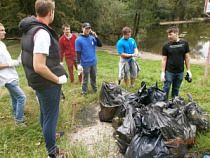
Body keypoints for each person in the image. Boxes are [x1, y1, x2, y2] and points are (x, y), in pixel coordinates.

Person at [19, 0, 68, 157]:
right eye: (54, 10)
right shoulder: (42, 33)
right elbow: (39, 66)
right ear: (50, 13)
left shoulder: (30, 29)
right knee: (51, 116)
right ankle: (52, 151)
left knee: (45, 113)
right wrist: (57, 79)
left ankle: (50, 134)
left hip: (38, 82)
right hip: (47, 83)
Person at [0, 23, 26, 127]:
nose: (4, 32)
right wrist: (10, 64)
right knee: (22, 97)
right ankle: (19, 121)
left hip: (11, 75)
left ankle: (16, 116)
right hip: (6, 78)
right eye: (1, 30)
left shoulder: (2, 44)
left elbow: (5, 60)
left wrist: (15, 61)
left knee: (14, 98)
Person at [161, 26, 192, 99]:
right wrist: (163, 72)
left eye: (171, 34)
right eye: (168, 35)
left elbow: (187, 57)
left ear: (177, 33)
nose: (169, 36)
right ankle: (163, 102)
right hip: (169, 71)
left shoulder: (184, 43)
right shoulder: (166, 45)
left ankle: (174, 102)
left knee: (176, 88)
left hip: (180, 71)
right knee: (166, 87)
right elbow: (164, 59)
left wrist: (188, 70)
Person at [75, 22, 102, 96]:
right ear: (82, 29)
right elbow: (78, 53)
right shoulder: (78, 40)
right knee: (85, 79)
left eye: (89, 28)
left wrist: (96, 36)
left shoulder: (92, 38)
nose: (88, 30)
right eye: (86, 28)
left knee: (93, 77)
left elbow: (100, 44)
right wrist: (78, 64)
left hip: (93, 62)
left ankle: (94, 89)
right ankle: (84, 92)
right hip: (85, 63)